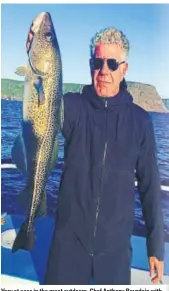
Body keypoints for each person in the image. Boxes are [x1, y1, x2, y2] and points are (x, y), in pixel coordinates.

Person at [44, 27, 164, 285]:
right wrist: (38, 53)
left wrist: (155, 244)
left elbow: (150, 185)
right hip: (68, 245)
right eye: (98, 62)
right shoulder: (72, 107)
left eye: (112, 63)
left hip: (115, 252)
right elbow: (43, 98)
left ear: (124, 68)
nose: (104, 71)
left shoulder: (140, 120)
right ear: (91, 65)